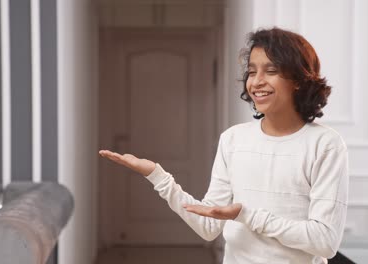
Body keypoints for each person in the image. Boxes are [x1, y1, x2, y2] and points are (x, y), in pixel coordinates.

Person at [99, 27, 349, 264]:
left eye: (270, 70)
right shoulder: (233, 139)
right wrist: (157, 176)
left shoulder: (325, 144)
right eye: (252, 72)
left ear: (298, 79)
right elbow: (209, 227)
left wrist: (248, 215)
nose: (257, 82)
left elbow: (324, 241)